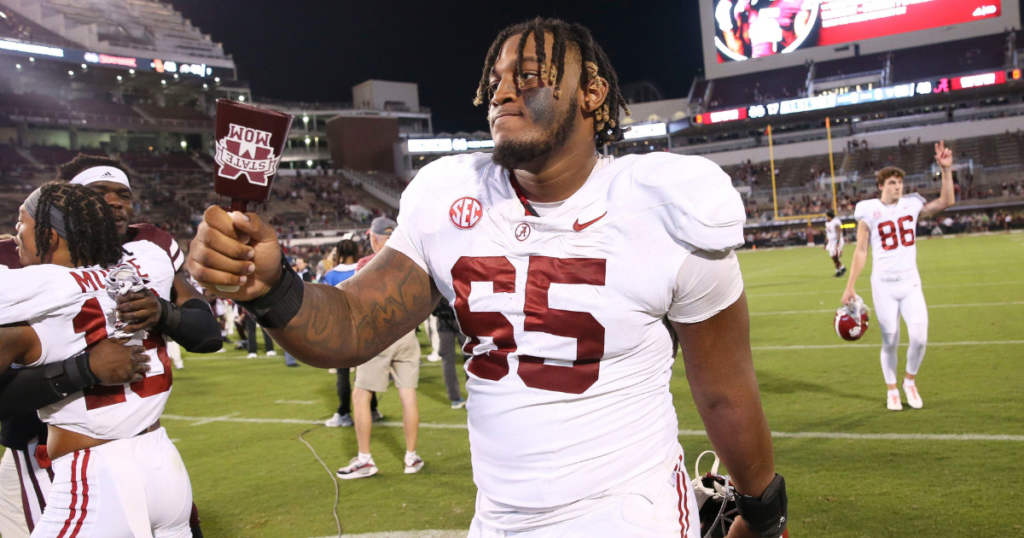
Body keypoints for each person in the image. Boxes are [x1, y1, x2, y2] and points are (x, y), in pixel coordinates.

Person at [189, 18, 784, 538]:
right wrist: (271, 288)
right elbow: (350, 325)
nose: (502, 91)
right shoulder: (451, 194)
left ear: (593, 93)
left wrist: (761, 507)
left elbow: (724, 388)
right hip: (499, 518)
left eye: (528, 76)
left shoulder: (664, 206)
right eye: (496, 79)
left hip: (629, 513)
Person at [0, 156, 218, 538]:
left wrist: (163, 315)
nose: (115, 203)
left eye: (123, 194)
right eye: (99, 195)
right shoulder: (149, 260)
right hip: (156, 454)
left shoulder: (34, 287)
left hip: (94, 470)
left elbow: (206, 333)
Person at [842, 142, 955, 411]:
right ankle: (892, 389)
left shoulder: (912, 204)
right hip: (883, 284)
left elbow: (947, 201)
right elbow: (860, 250)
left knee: (919, 338)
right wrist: (850, 286)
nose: (898, 187)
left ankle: (910, 382)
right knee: (890, 338)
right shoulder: (868, 209)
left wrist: (946, 171)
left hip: (910, 282)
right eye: (892, 182)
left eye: (900, 182)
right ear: (881, 185)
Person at [337, 217, 423, 478]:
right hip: (407, 333)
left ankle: (365, 459)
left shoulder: (366, 264)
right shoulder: (412, 261)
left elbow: (351, 300)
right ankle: (411, 457)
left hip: (378, 334)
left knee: (360, 395)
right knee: (408, 395)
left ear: (374, 238)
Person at [322, 239, 380, 428]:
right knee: (365, 373)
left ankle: (344, 412)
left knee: (342, 374)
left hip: (341, 329)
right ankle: (372, 409)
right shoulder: (364, 268)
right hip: (364, 326)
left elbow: (326, 303)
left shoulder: (330, 275)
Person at [433, 297, 467, 409]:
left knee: (447, 360)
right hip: (462, 317)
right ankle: (475, 394)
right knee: (471, 357)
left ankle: (455, 398)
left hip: (443, 319)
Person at [284, 257, 314, 367]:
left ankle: (304, 355)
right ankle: (290, 360)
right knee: (290, 333)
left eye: (294, 266)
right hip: (290, 308)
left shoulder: (299, 276)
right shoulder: (287, 278)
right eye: (292, 266)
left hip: (301, 306)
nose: (294, 268)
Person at [824, 208, 845, 277]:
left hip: (836, 241)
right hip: (831, 242)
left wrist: (838, 242)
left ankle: (838, 271)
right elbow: (828, 234)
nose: (826, 218)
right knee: (833, 257)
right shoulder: (827, 223)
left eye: (827, 216)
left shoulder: (835, 222)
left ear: (830, 217)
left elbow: (839, 232)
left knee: (835, 256)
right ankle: (842, 268)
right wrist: (825, 243)